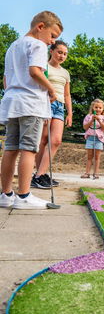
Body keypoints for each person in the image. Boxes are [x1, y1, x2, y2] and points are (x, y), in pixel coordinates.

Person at [0, 11, 63, 209]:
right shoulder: (37, 44)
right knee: (28, 148)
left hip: (12, 102)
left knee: (10, 148)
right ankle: (24, 196)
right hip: (31, 103)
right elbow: (35, 71)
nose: (53, 42)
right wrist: (51, 89)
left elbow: (5, 80)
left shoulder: (13, 46)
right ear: (40, 27)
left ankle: (6, 194)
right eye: (52, 36)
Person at [31, 40, 72, 189]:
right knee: (42, 140)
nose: (62, 56)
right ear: (52, 51)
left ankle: (39, 175)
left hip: (59, 106)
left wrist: (70, 113)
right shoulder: (44, 67)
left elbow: (67, 95)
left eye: (65, 54)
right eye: (59, 52)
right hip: (46, 103)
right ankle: (39, 174)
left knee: (56, 141)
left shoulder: (65, 73)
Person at [81, 99, 104, 179]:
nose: (98, 109)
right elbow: (85, 127)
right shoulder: (88, 116)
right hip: (90, 138)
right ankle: (87, 173)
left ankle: (96, 173)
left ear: (103, 109)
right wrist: (92, 120)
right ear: (93, 107)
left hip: (99, 139)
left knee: (97, 157)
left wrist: (99, 120)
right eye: (96, 107)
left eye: (100, 107)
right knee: (89, 157)